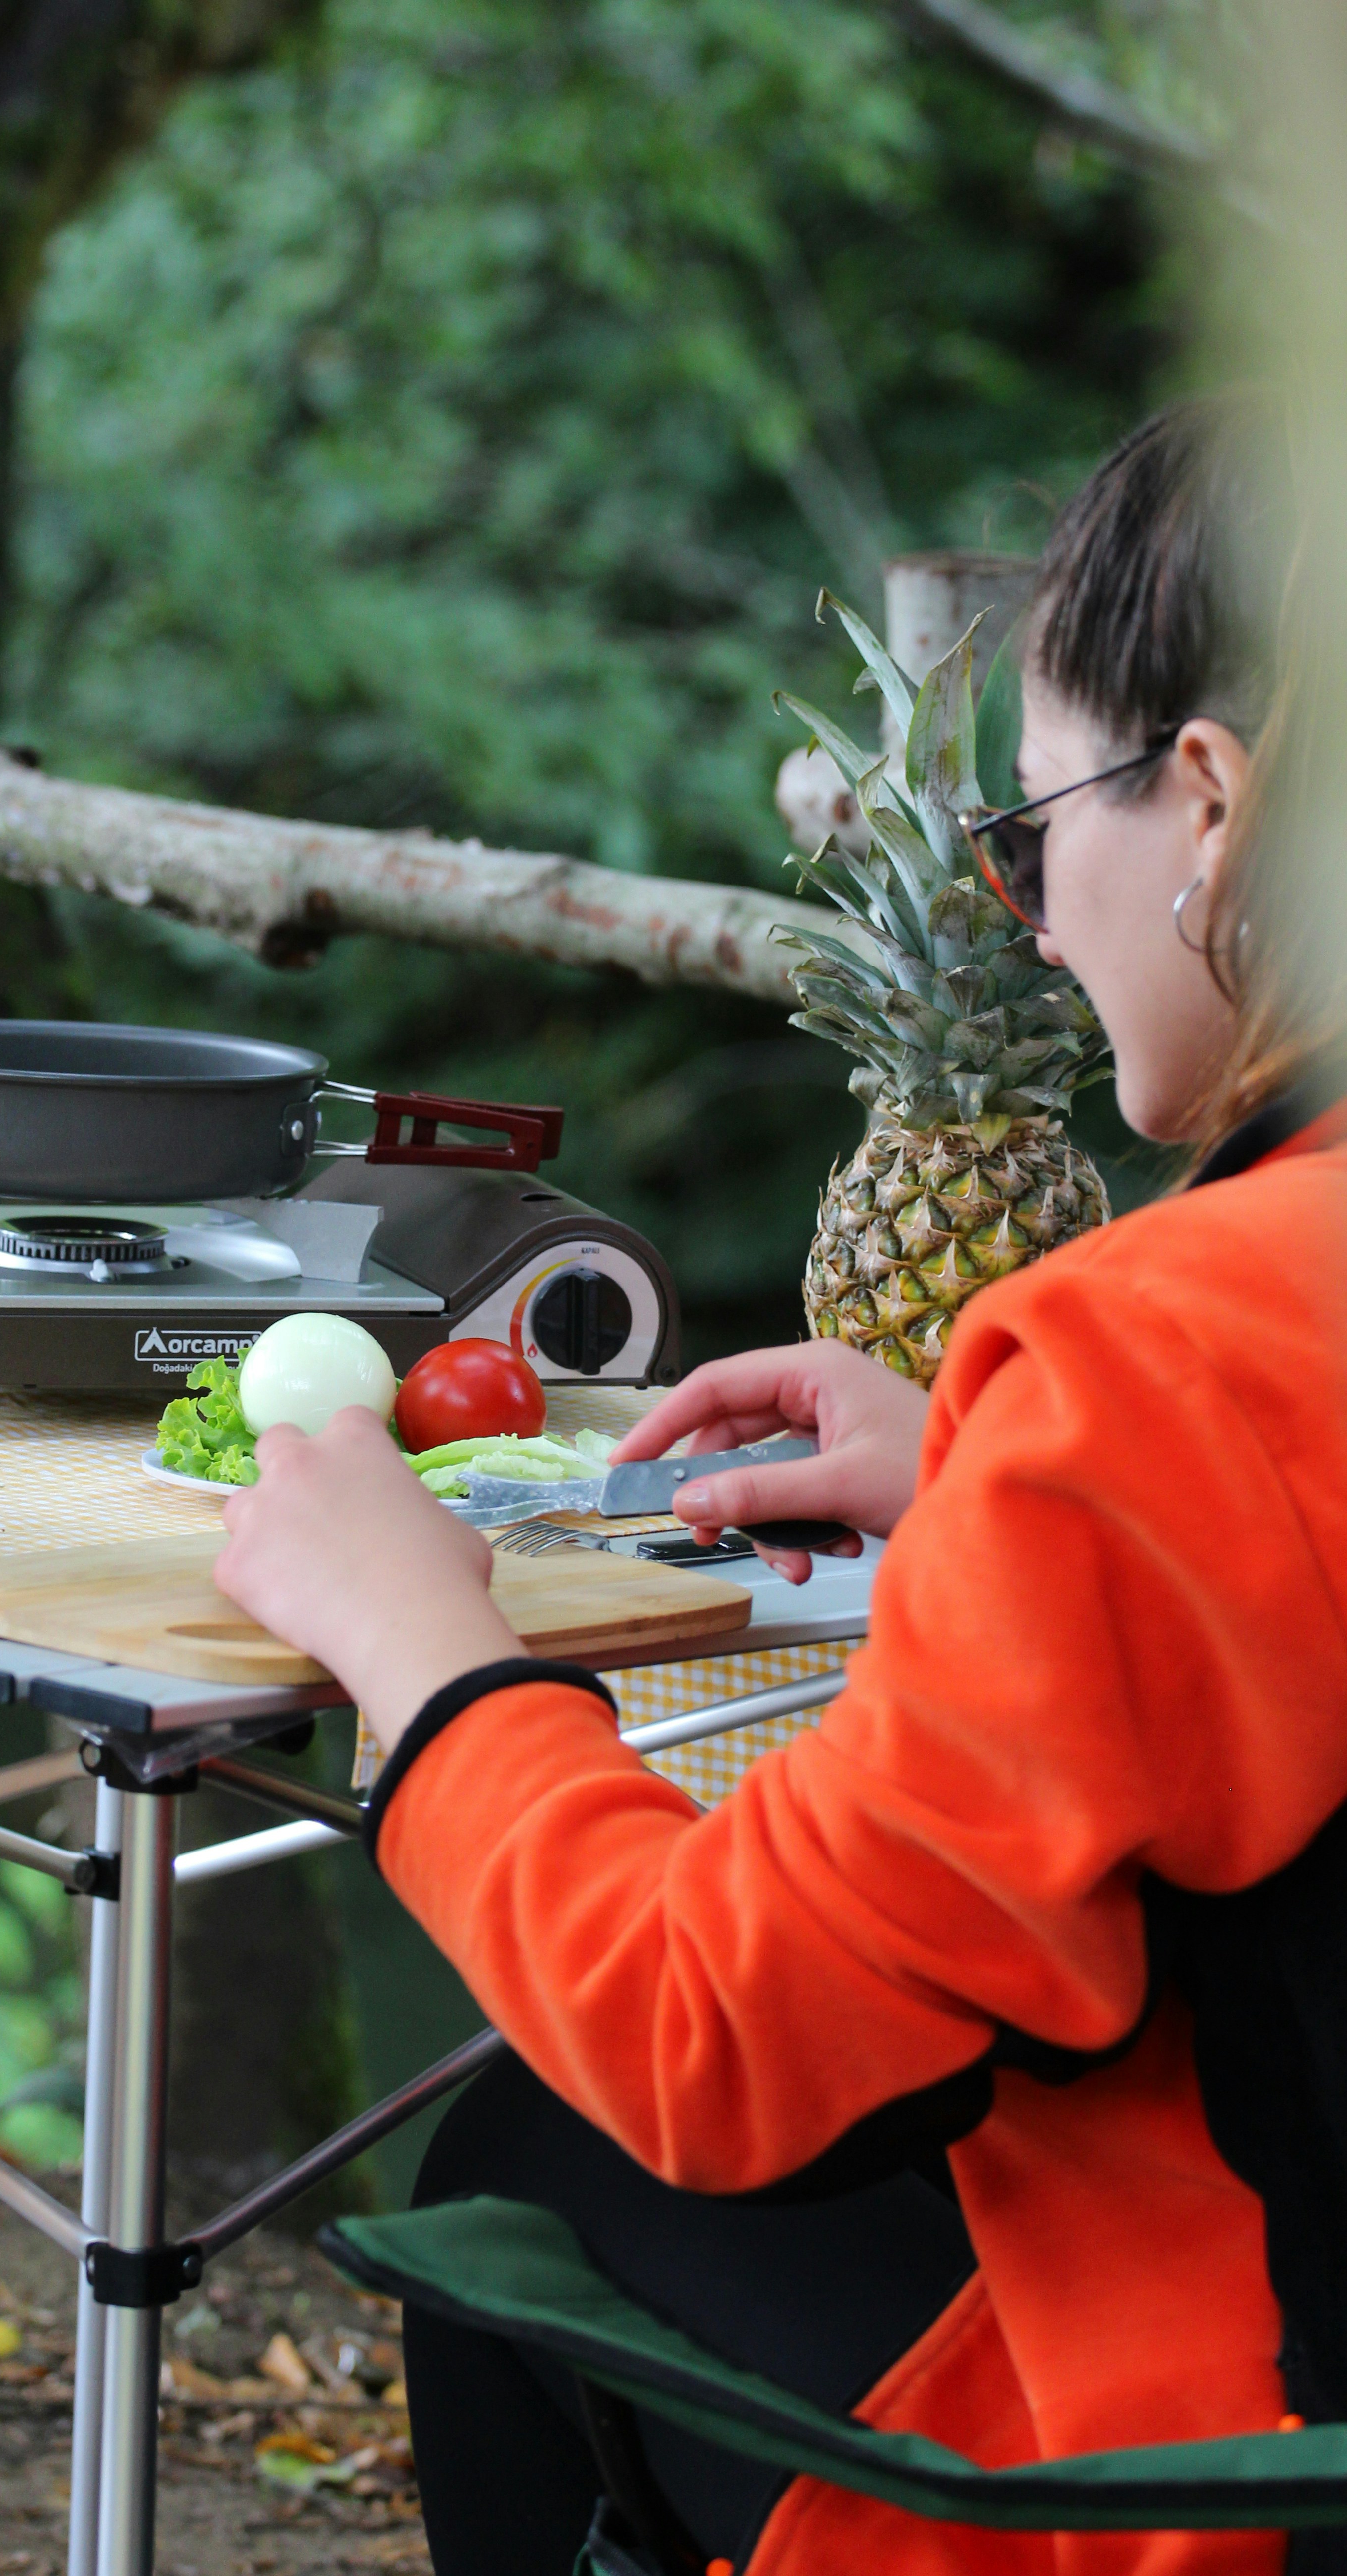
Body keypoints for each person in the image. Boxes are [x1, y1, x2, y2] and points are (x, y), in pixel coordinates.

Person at [214, 392, 1347, 2576]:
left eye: (1033, 842)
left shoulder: (1160, 1348)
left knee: (539, 2165)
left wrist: (426, 1655)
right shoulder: (1175, 1388)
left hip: (1243, 2450)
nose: (1028, 921)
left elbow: (728, 2039)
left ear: (1210, 800)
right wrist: (991, 1480)